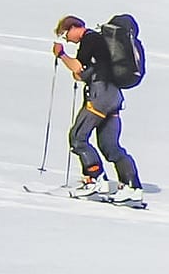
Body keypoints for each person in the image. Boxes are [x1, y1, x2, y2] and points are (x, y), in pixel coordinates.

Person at [54, 15, 142, 202]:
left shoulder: (89, 39)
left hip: (100, 97)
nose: (67, 39)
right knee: (110, 146)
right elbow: (84, 72)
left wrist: (61, 54)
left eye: (65, 34)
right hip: (113, 98)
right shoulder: (100, 42)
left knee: (77, 137)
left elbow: (77, 66)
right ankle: (133, 187)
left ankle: (95, 179)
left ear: (75, 27)